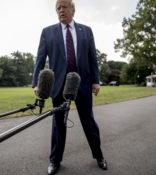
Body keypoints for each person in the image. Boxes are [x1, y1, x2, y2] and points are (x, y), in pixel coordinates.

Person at [32, 0, 107, 174]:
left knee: (89, 122)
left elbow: (92, 58)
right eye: (58, 8)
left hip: (82, 84)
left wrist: (96, 81)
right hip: (58, 86)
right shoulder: (47, 32)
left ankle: (99, 156)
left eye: (64, 7)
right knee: (58, 125)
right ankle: (55, 161)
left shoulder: (86, 31)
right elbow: (40, 59)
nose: (61, 10)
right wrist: (36, 82)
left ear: (73, 10)